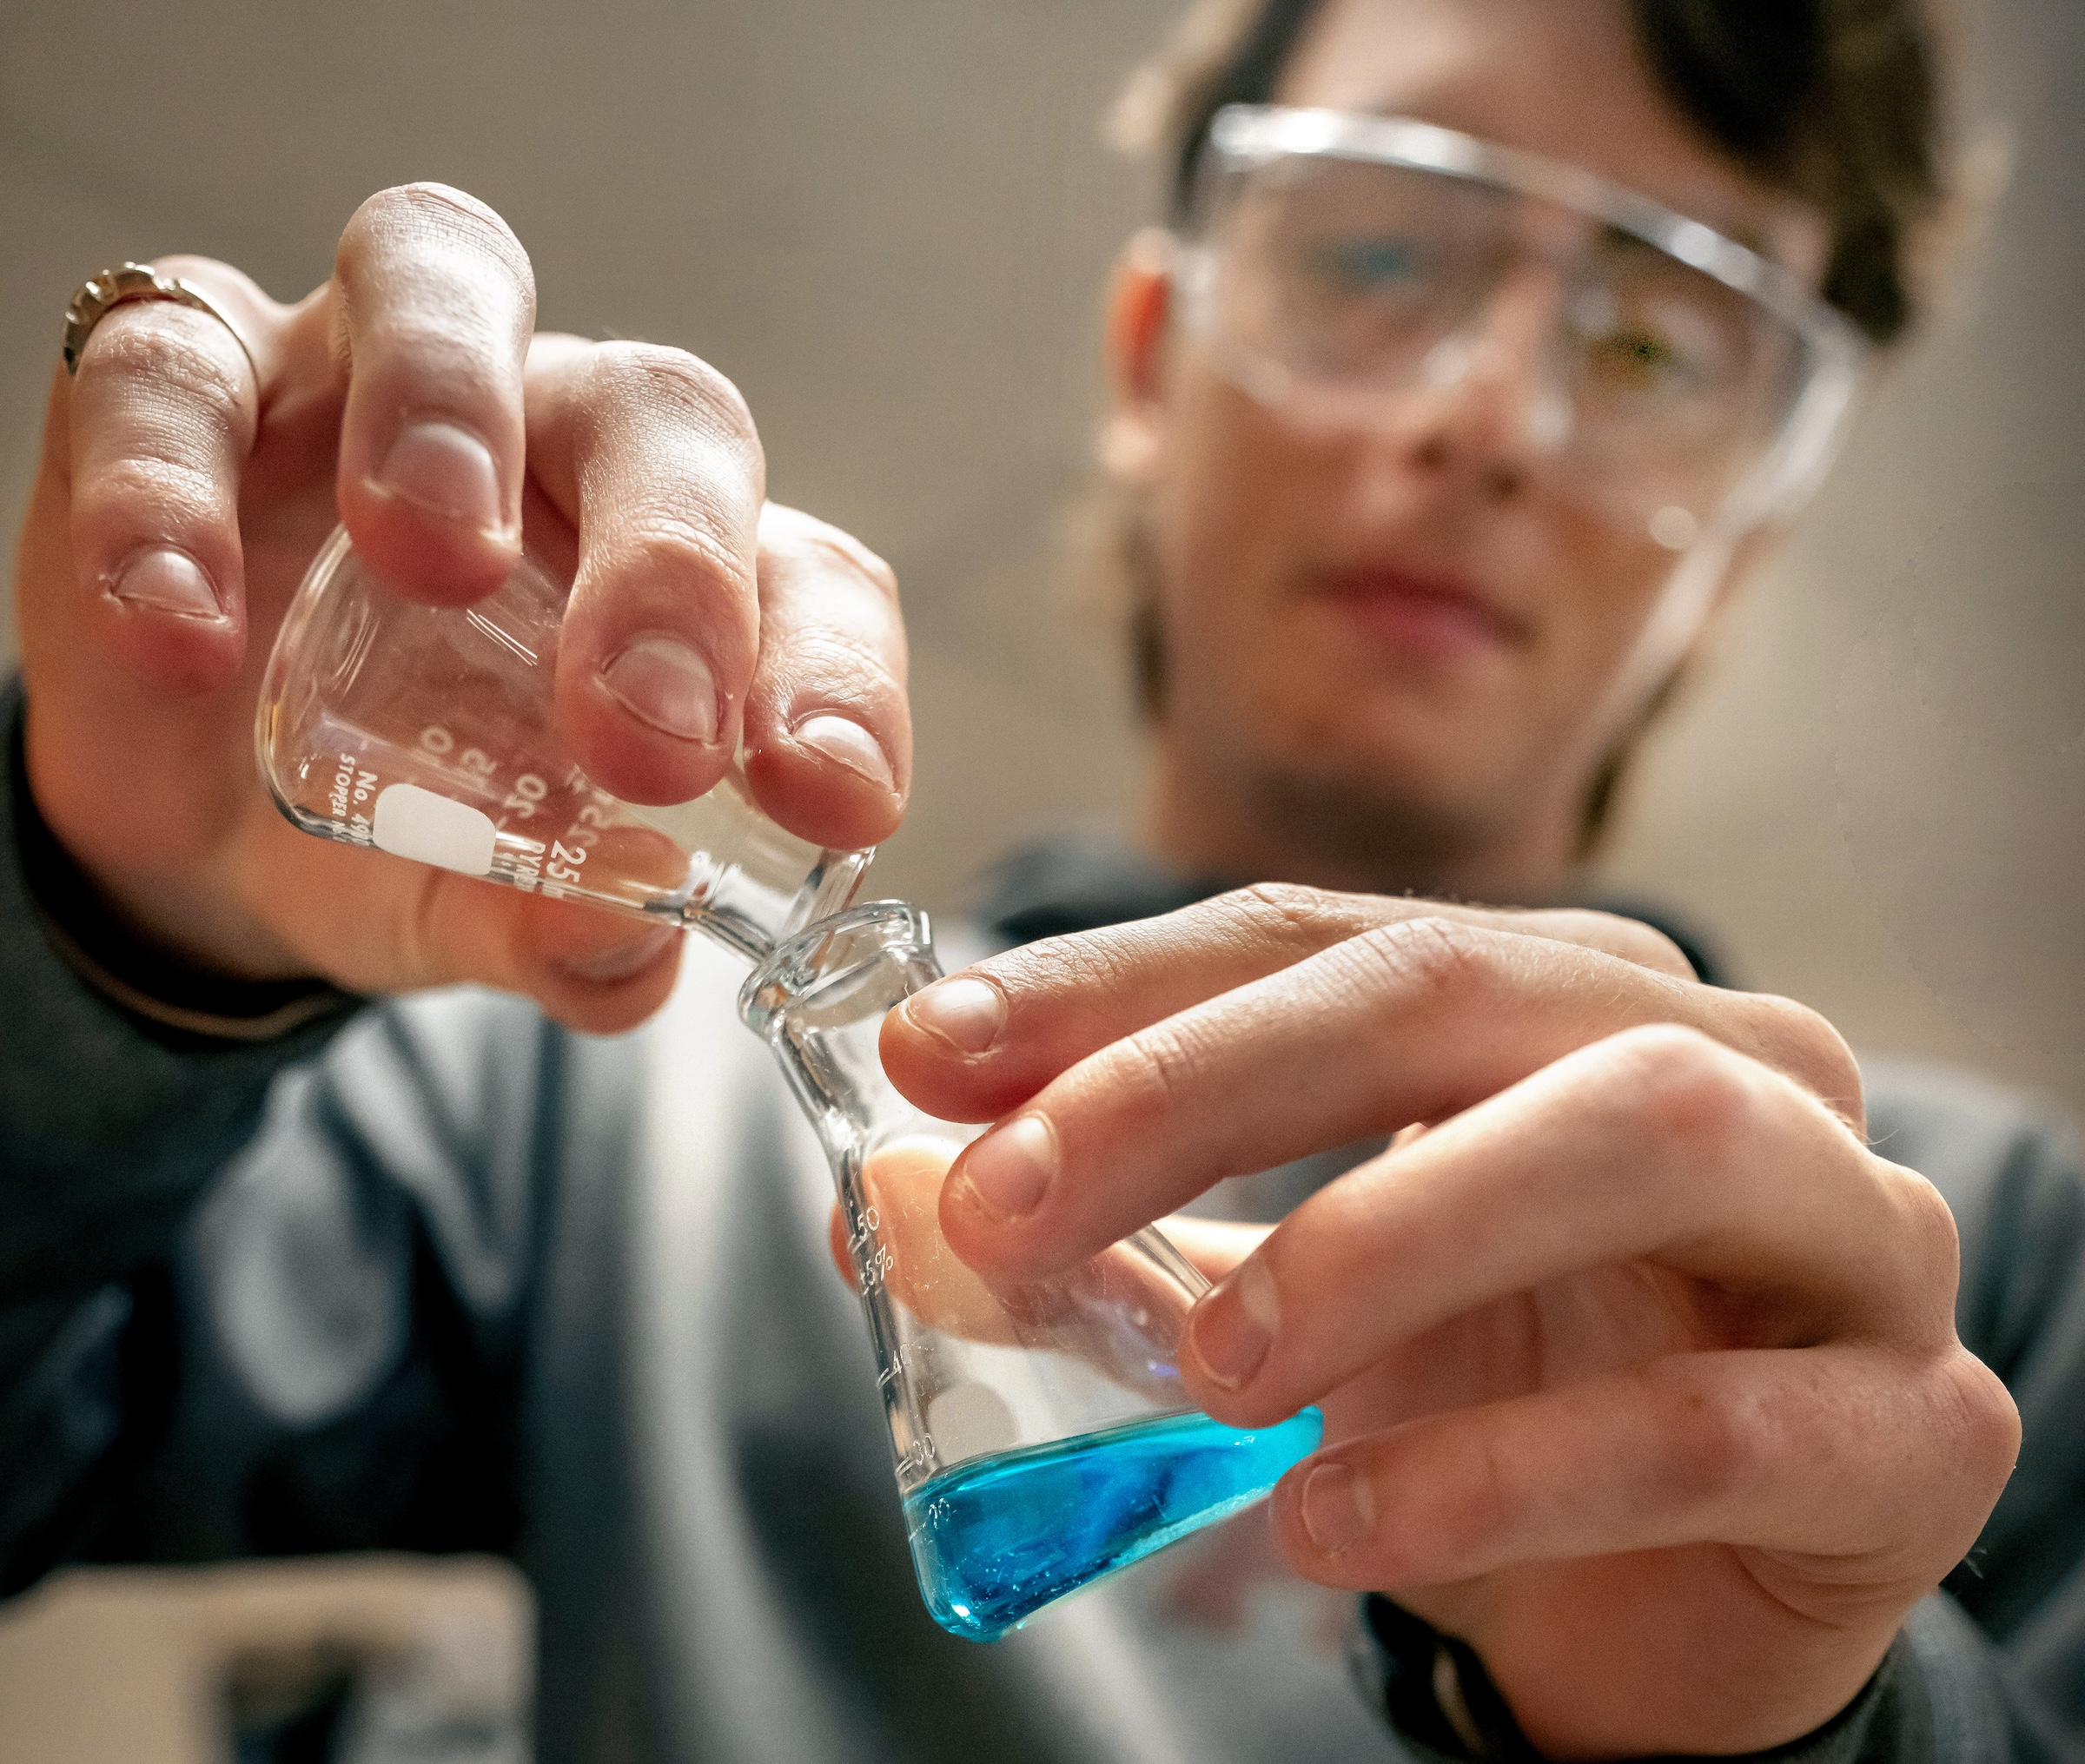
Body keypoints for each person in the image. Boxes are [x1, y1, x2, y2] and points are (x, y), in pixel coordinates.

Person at [1, 0, 2075, 1759]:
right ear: (1155, 356)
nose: (1489, 421)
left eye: (1652, 349)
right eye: (1383, 252)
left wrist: (1805, 1719)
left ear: (1738, 552)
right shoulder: (596, 1086)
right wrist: (106, 929)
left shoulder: (1982, 1257)